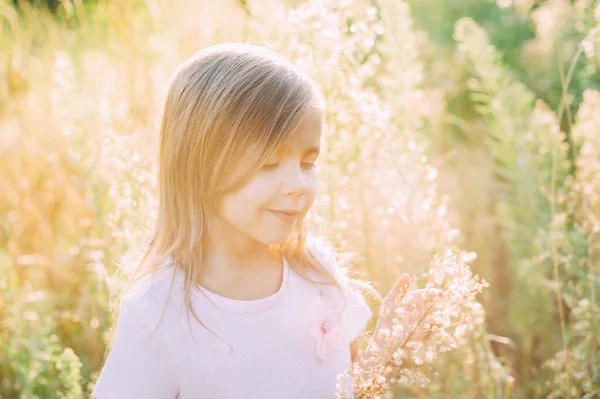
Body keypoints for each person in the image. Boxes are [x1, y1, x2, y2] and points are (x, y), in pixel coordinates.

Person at [91, 42, 436, 399]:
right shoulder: (159, 312)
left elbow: (353, 388)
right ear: (200, 164)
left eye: (307, 163)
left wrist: (390, 350)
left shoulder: (315, 271)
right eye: (269, 164)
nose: (299, 186)